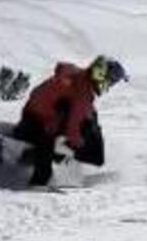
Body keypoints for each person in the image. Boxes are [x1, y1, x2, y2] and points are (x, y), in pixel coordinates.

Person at [12, 55, 128, 187]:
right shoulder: (82, 92)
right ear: (100, 74)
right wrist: (78, 147)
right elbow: (72, 129)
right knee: (46, 168)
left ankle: (62, 160)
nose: (110, 85)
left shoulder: (78, 76)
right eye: (111, 81)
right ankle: (37, 183)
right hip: (40, 126)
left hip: (34, 118)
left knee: (89, 126)